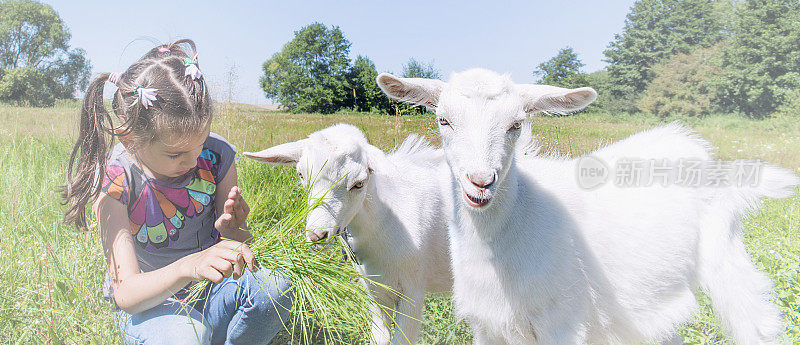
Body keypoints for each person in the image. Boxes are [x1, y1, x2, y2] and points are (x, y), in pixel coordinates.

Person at [60, 39, 291, 345]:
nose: (194, 161)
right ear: (131, 141)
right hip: (153, 304)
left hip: (212, 291)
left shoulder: (217, 155)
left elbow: (235, 248)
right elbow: (127, 292)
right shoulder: (116, 177)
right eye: (175, 155)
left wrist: (237, 232)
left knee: (276, 290)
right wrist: (188, 266)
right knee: (183, 338)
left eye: (201, 143)